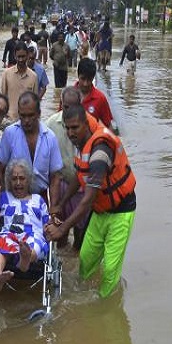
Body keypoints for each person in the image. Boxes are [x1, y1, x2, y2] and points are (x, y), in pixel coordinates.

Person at [45, 105, 137, 298]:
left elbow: (87, 199)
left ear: (86, 125)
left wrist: (62, 229)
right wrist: (60, 204)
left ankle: (105, 306)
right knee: (86, 258)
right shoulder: (81, 144)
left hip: (120, 212)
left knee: (111, 268)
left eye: (75, 128)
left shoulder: (100, 151)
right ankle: (84, 294)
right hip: (101, 211)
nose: (71, 133)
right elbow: (79, 177)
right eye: (67, 128)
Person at [0, 159, 50, 293]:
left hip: (31, 234)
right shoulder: (3, 197)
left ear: (28, 180)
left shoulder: (38, 199)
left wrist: (53, 226)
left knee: (36, 243)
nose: (18, 182)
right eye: (14, 179)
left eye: (22, 178)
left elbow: (46, 225)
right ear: (9, 181)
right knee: (0, 241)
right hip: (9, 233)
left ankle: (26, 259)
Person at [44, 86, 99, 250]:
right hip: (60, 184)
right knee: (59, 233)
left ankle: (75, 256)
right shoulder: (51, 124)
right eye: (66, 107)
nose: (70, 111)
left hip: (83, 186)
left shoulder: (90, 126)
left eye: (74, 107)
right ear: (61, 104)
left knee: (81, 233)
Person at [0, 91, 62, 204]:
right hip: (14, 198)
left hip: (41, 199)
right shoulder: (9, 134)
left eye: (31, 115)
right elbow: (0, 170)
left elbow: (55, 177)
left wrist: (53, 208)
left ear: (39, 114)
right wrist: (5, 199)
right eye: (23, 116)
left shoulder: (50, 137)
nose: (26, 120)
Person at [0, 41, 38, 121]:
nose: (21, 59)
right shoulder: (6, 74)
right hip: (9, 120)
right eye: (18, 57)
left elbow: (35, 103)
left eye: (23, 56)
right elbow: (1, 98)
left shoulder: (33, 76)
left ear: (27, 55)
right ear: (14, 56)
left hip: (27, 121)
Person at [76, 58, 115, 131]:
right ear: (78, 75)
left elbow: (108, 126)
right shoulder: (68, 96)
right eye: (83, 79)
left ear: (93, 78)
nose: (85, 83)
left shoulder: (100, 98)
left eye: (89, 80)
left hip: (92, 140)